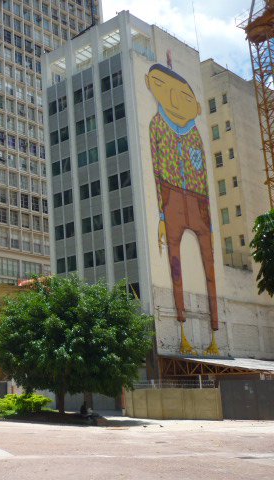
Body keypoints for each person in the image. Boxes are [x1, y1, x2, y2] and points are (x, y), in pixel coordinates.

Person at [146, 60, 218, 354]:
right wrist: (162, 215)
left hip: (199, 201)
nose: (174, 100)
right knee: (175, 265)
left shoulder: (196, 134)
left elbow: (203, 175)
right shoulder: (156, 125)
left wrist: (208, 215)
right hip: (171, 197)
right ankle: (182, 331)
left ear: (197, 107)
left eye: (185, 96)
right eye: (161, 87)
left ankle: (214, 335)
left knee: (210, 266)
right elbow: (156, 172)